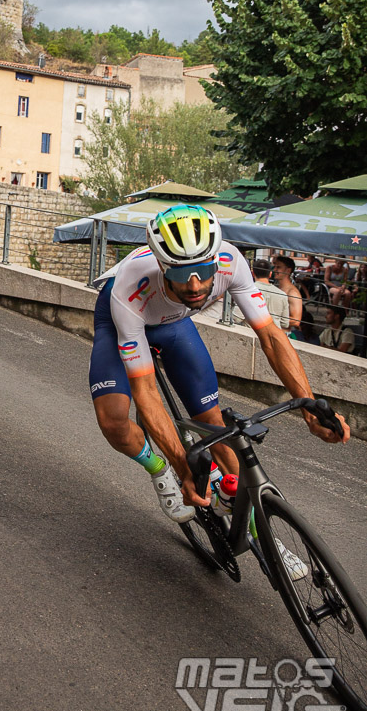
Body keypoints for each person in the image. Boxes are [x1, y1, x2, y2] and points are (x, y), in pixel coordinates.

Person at [89, 204, 349, 527]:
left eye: (203, 271)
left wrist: (310, 408)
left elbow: (270, 336)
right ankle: (157, 467)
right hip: (124, 319)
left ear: (216, 259)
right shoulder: (131, 288)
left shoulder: (231, 262)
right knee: (113, 420)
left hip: (172, 323)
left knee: (213, 420)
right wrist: (184, 471)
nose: (196, 285)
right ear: (161, 265)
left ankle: (263, 534)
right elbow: (146, 391)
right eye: (182, 274)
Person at [233, 257, 290, 331]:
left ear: (252, 274)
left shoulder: (247, 290)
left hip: (253, 333)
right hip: (275, 335)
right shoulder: (282, 295)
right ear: (270, 274)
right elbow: (285, 323)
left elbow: (236, 318)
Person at [271, 255, 303, 336]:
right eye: (274, 267)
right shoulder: (278, 288)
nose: (274, 270)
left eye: (278, 267)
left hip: (283, 335)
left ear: (288, 270)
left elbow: (296, 321)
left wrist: (273, 319)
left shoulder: (293, 293)